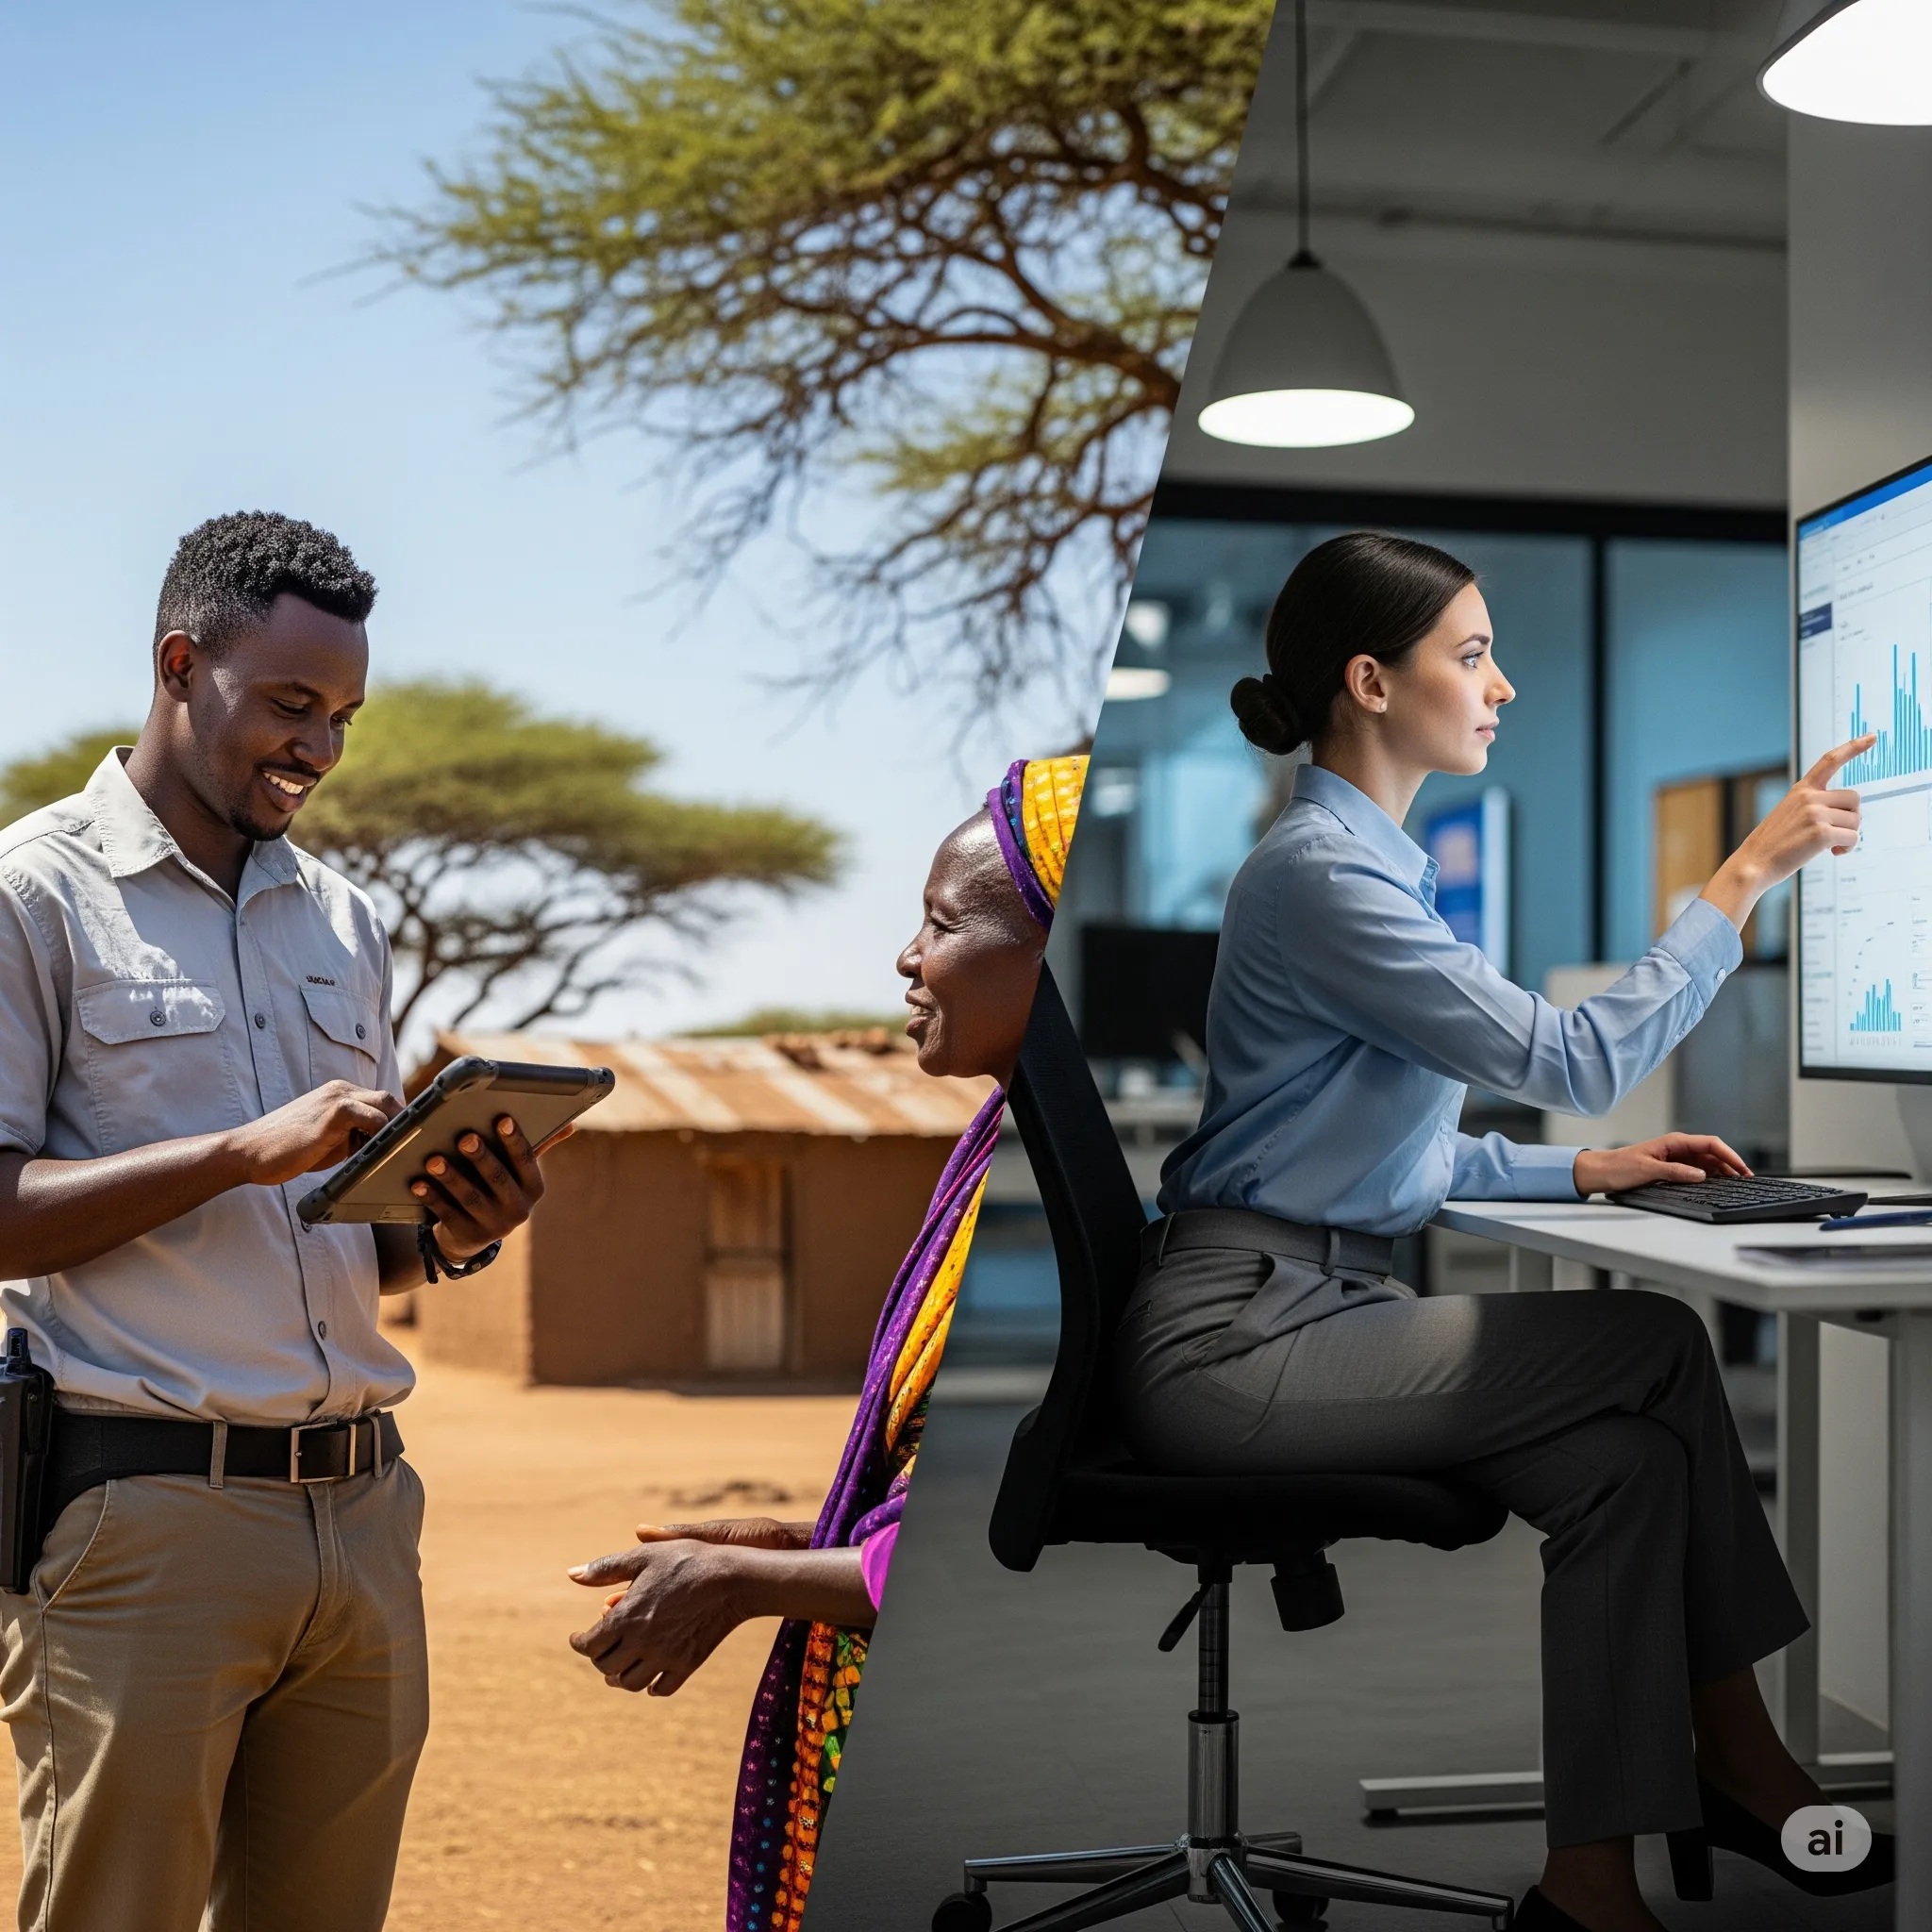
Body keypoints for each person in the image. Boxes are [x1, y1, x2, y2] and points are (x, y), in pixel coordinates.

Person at [1110, 532, 1890, 1932]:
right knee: (1654, 1344)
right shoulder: (1321, 879)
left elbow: (1388, 1155)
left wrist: (1584, 1171)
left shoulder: (1367, 869)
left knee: (1621, 1469)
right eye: (1470, 655)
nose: (1503, 685)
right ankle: (1745, 1761)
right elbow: (1574, 1052)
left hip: (1314, 1312)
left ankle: (1589, 1883)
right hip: (1238, 1343)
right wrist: (1740, 882)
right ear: (1369, 681)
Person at [0, 513, 557, 1932]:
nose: (320, 749)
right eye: (291, 706)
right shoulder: (34, 896)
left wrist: (459, 1223)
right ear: (182, 665)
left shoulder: (344, 922)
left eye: (346, 717)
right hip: (143, 1521)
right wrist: (239, 1152)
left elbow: (349, 1241)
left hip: (363, 1521)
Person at [567, 755, 1087, 1932]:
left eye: (943, 923)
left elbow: (997, 1534)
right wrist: (800, 1540)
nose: (907, 956)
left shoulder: (1065, 1193)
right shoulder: (1012, 1150)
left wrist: (747, 1580)